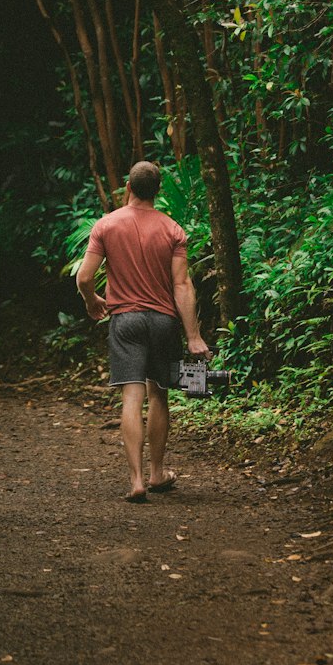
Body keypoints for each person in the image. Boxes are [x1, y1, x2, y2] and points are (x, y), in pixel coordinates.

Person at [76, 159, 211, 503]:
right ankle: (157, 473)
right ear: (158, 192)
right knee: (159, 394)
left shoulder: (106, 225)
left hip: (126, 321)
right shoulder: (172, 229)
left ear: (129, 189)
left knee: (131, 397)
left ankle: (136, 480)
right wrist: (193, 336)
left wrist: (92, 300)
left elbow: (85, 277)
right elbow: (182, 284)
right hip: (164, 322)